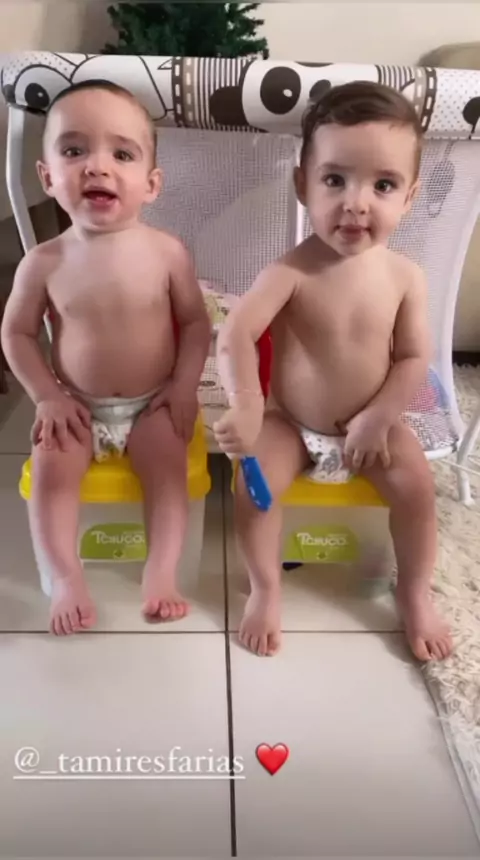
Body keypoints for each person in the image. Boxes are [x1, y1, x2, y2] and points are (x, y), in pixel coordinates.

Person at [214, 81, 452, 663]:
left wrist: (381, 415)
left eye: (383, 185)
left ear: (410, 197)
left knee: (418, 490)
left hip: (373, 423)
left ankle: (414, 590)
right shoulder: (289, 272)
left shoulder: (405, 277)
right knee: (252, 487)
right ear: (303, 184)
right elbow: (236, 333)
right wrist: (247, 403)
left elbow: (411, 358)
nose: (356, 202)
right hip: (292, 424)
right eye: (335, 179)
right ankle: (266, 587)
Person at [1, 80, 211, 636]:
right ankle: (65, 576)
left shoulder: (167, 253)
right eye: (74, 150)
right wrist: (47, 396)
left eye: (121, 154)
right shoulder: (43, 262)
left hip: (152, 401)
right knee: (50, 476)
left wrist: (183, 386)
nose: (97, 166)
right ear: (48, 177)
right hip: (75, 402)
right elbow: (17, 333)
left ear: (151, 184)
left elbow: (196, 324)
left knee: (168, 473)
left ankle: (160, 572)